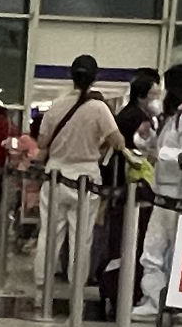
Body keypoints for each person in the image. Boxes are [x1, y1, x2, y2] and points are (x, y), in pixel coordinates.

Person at [32, 53, 128, 310]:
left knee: (49, 235)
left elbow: (42, 143)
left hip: (55, 176)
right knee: (81, 238)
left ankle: (42, 290)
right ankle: (76, 293)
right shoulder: (99, 108)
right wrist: (98, 142)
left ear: (71, 76)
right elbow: (118, 141)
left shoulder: (57, 105)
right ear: (95, 77)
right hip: (86, 178)